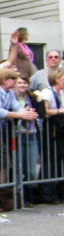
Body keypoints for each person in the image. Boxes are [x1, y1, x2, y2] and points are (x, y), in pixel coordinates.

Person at [0, 69, 38, 211]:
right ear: (5, 80)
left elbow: (17, 107)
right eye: (13, 78)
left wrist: (25, 113)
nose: (16, 81)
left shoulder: (9, 92)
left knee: (5, 163)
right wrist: (20, 115)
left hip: (0, 131)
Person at [13, 75, 41, 206]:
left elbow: (41, 112)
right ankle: (20, 199)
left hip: (31, 134)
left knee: (30, 169)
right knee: (19, 168)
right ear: (14, 84)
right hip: (18, 135)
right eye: (19, 82)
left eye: (24, 83)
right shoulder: (11, 97)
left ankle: (29, 198)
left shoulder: (32, 98)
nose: (22, 85)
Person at [38, 67, 64, 204]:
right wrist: (60, 111)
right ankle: (47, 193)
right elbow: (45, 110)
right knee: (49, 161)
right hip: (49, 129)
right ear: (58, 79)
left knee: (58, 161)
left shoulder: (60, 93)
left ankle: (58, 193)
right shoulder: (47, 92)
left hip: (59, 130)